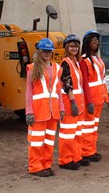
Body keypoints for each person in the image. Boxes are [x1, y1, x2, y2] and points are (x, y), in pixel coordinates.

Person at [25, 38, 64, 177]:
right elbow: (29, 92)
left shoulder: (57, 68)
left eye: (49, 51)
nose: (47, 53)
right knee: (36, 141)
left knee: (48, 141)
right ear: (39, 52)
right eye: (44, 51)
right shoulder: (32, 68)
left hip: (52, 112)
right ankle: (35, 167)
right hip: (38, 111)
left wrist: (61, 108)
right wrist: (29, 112)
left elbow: (58, 90)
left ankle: (46, 165)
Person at [58, 34, 87, 170]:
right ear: (66, 47)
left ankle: (76, 156)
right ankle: (65, 160)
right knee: (67, 133)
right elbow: (67, 84)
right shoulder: (66, 63)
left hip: (78, 104)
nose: (74, 48)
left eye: (76, 46)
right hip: (71, 103)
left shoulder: (76, 62)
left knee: (77, 132)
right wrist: (73, 102)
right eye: (71, 46)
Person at [80, 30, 107, 162]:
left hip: (99, 98)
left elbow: (101, 79)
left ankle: (91, 149)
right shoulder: (84, 60)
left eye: (97, 40)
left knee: (93, 126)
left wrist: (105, 96)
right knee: (88, 126)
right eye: (93, 39)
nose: (96, 42)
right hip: (91, 100)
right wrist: (88, 101)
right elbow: (84, 82)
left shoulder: (97, 59)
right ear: (87, 42)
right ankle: (86, 152)